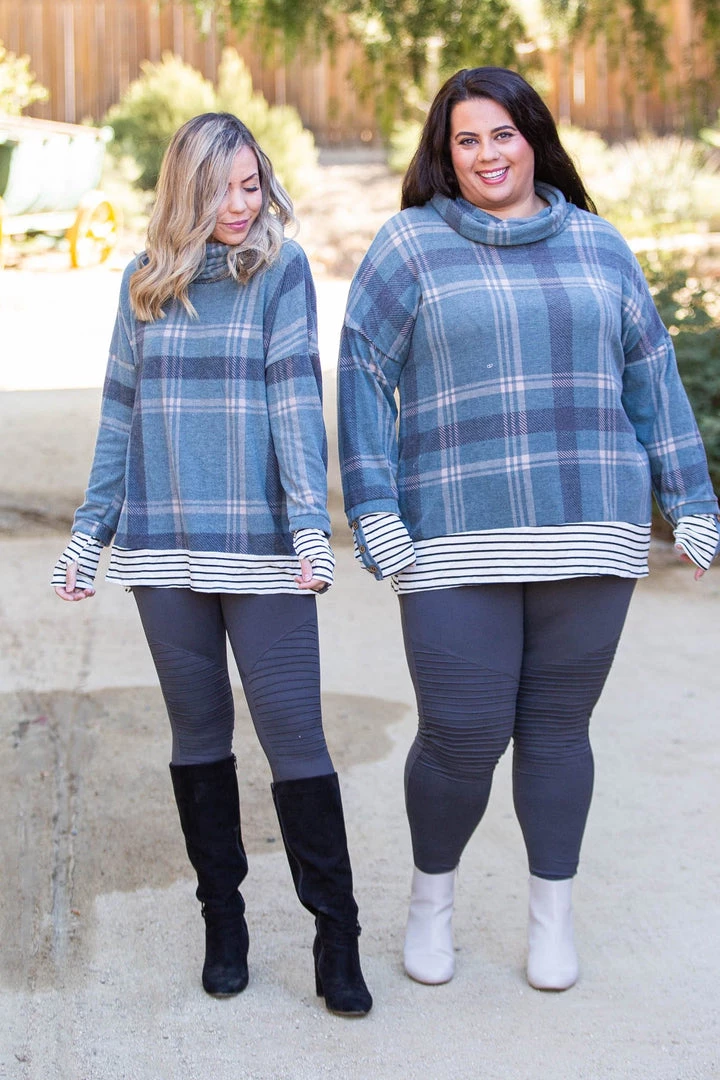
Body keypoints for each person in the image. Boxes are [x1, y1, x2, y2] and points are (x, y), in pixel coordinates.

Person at [337, 67, 719, 992]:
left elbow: (651, 376)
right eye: (466, 140)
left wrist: (693, 500)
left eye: (502, 134)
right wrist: (374, 507)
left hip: (590, 526)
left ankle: (553, 920)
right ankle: (432, 902)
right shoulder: (409, 246)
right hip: (452, 534)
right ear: (446, 153)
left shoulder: (599, 245)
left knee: (556, 730)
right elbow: (361, 378)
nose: (486, 155)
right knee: (461, 734)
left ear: (533, 138)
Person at [52, 112, 371, 1017]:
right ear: (184, 192)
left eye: (251, 185)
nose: (240, 205)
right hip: (163, 547)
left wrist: (309, 525)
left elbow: (295, 398)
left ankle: (336, 934)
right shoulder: (143, 283)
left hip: (262, 550)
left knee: (294, 739)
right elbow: (119, 410)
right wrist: (90, 532)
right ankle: (222, 922)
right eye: (220, 188)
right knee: (198, 738)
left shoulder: (280, 272)